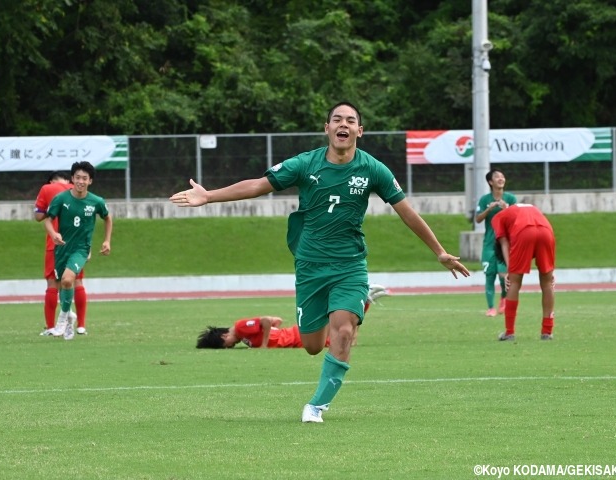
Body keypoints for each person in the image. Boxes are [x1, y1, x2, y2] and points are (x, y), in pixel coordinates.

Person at [169, 101, 470, 423]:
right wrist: (209, 195)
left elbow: (407, 212)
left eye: (350, 120)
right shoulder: (305, 164)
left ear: (360, 130)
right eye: (337, 119)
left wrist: (438, 251)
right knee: (312, 345)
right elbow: (258, 185)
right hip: (310, 267)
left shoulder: (374, 170)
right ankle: (358, 306)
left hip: (350, 265)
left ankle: (317, 405)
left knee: (342, 331)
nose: (344, 124)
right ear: (327, 128)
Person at [197, 284, 390, 349]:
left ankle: (360, 298)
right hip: (292, 337)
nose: (231, 345)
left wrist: (265, 344)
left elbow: (266, 320)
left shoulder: (239, 328)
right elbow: (274, 321)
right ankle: (364, 301)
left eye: (227, 345)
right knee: (347, 340)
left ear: (223, 337)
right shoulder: (243, 335)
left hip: (294, 337)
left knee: (343, 338)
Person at [44, 161, 113, 340]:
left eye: (85, 178)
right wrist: (53, 234)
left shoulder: (96, 201)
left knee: (68, 280)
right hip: (61, 248)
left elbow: (107, 218)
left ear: (90, 181)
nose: (81, 181)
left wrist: (106, 241)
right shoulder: (61, 199)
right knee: (63, 285)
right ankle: (70, 317)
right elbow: (47, 220)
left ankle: (62, 319)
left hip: (81, 249)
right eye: (78, 178)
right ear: (72, 179)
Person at [34, 171, 88, 336]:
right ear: (70, 179)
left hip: (55, 243)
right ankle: (81, 325)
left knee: (52, 284)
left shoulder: (47, 188)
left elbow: (38, 216)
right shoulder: (77, 189)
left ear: (51, 180)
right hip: (76, 244)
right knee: (77, 282)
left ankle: (51, 327)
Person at [492, 203, 555, 341]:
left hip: (523, 232)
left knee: (514, 283)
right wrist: (549, 272)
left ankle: (509, 332)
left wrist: (510, 269)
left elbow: (503, 243)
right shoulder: (527, 207)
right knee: (547, 283)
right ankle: (547, 331)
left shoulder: (496, 218)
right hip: (546, 231)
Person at [475, 169, 517, 317]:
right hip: (489, 244)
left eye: (502, 176)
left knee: (503, 275)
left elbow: (516, 218)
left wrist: (507, 209)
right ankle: (491, 307)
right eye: (497, 177)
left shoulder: (511, 199)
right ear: (490, 182)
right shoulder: (484, 199)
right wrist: (489, 209)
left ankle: (504, 299)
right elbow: (478, 219)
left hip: (504, 244)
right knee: (489, 275)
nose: (501, 178)